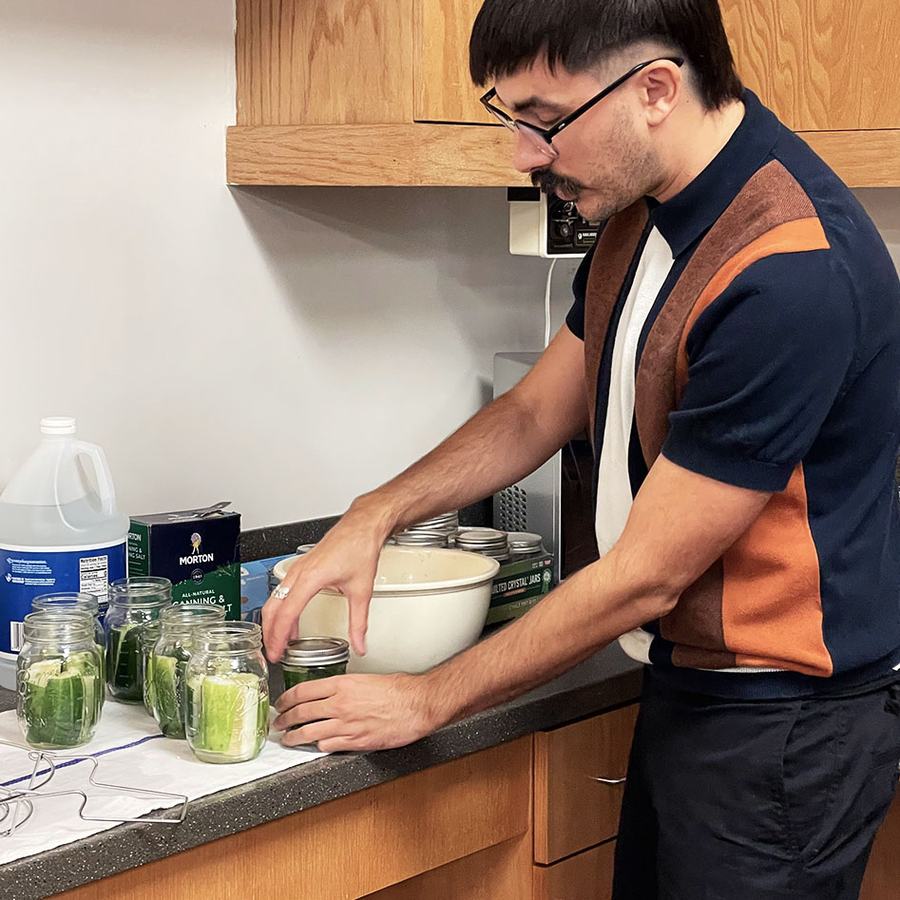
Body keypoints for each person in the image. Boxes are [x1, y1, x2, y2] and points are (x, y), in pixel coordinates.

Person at [263, 1, 900, 895]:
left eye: (542, 121)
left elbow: (646, 574)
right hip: (693, 691)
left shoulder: (788, 273)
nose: (523, 153)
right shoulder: (646, 209)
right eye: (510, 116)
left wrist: (428, 697)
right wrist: (377, 513)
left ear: (654, 90)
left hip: (783, 733)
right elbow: (532, 413)